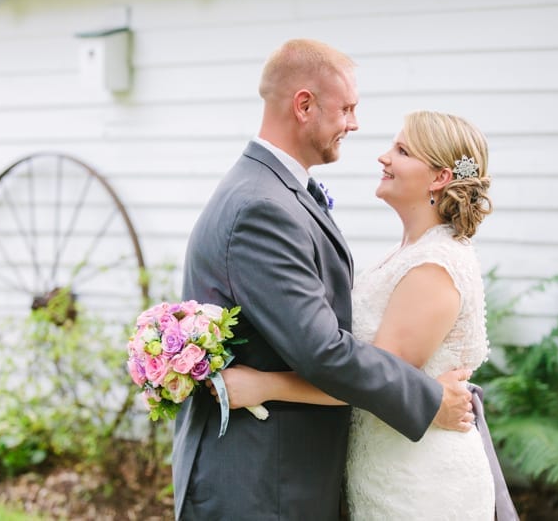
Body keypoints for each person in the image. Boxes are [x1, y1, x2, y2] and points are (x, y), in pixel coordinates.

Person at [172, 39, 474, 521]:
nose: (354, 124)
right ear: (304, 105)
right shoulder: (263, 206)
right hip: (264, 483)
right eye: (347, 109)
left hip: (294, 474)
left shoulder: (273, 191)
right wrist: (428, 398)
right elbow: (322, 350)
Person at [220, 110, 497, 519]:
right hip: (385, 466)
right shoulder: (407, 255)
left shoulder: (434, 268)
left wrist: (264, 386)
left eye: (402, 150)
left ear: (439, 178)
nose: (384, 158)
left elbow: (377, 380)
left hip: (419, 482)